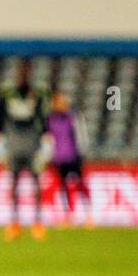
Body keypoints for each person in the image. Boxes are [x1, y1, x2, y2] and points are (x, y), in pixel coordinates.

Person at [0, 62, 49, 240]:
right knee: (15, 181)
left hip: (31, 140)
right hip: (15, 140)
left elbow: (41, 116)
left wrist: (46, 136)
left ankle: (38, 223)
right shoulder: (8, 94)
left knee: (35, 181)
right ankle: (14, 223)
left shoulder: (36, 95)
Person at [46, 91, 93, 228]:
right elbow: (48, 139)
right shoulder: (49, 119)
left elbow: (81, 135)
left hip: (74, 156)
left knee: (80, 185)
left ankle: (88, 215)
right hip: (59, 158)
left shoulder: (73, 118)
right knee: (63, 187)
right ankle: (67, 216)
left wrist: (82, 152)